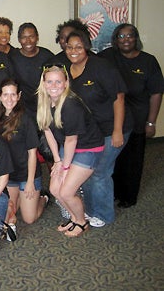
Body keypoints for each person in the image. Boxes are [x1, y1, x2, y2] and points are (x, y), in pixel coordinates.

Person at [65, 30, 132, 227]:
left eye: (78, 47)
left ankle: (103, 214)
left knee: (100, 171)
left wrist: (117, 130)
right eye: (70, 47)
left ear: (87, 47)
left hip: (112, 129)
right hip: (89, 133)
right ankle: (90, 211)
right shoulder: (67, 70)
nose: (74, 51)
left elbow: (119, 97)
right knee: (87, 171)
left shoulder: (101, 67)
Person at [98, 24, 164, 208]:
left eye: (130, 35)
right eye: (121, 36)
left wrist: (151, 122)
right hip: (113, 121)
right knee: (113, 160)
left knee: (132, 161)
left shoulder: (148, 61)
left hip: (138, 120)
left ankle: (129, 197)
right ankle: (114, 193)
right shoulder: (108, 56)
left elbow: (156, 93)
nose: (126, 39)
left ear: (136, 38)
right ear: (115, 39)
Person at [37, 65, 105, 237]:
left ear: (66, 83)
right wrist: (57, 161)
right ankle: (74, 217)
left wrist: (65, 169)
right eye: (50, 81)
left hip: (88, 148)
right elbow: (48, 133)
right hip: (68, 147)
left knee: (66, 191)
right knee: (54, 189)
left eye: (58, 81)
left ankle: (82, 222)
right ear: (43, 84)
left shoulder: (70, 105)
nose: (54, 85)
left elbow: (71, 139)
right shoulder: (45, 103)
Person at [0, 78, 47, 225]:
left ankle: (43, 198)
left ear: (19, 96)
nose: (9, 99)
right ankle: (20, 197)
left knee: (29, 219)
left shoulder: (26, 119)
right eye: (5, 95)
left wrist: (30, 182)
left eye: (13, 95)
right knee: (10, 213)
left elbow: (32, 154)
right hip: (9, 176)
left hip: (26, 174)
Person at [11, 22, 54, 119]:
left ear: (37, 38)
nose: (28, 41)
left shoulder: (47, 56)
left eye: (31, 36)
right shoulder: (13, 57)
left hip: (45, 106)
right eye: (24, 37)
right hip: (22, 108)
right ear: (19, 39)